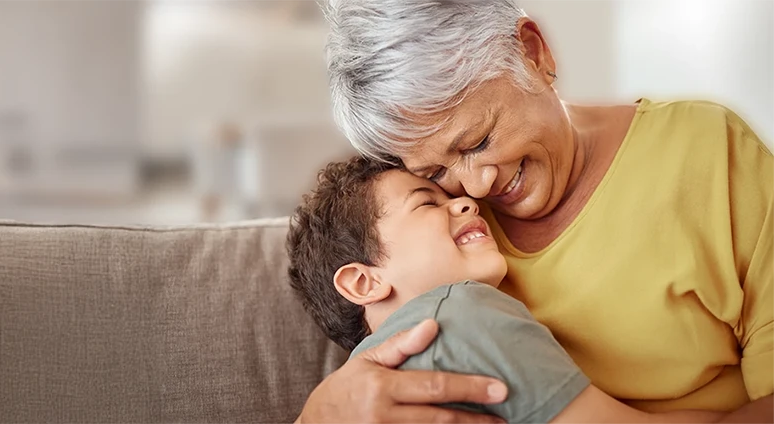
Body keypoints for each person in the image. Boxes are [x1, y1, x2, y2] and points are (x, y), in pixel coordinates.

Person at [296, 0, 774, 422]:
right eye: (436, 174)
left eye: (479, 141)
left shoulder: (706, 151)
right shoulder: (446, 252)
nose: (475, 187)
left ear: (533, 52)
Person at [286, 156, 727, 423]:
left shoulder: (351, 387)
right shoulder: (461, 313)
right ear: (364, 281)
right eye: (426, 202)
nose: (467, 200)